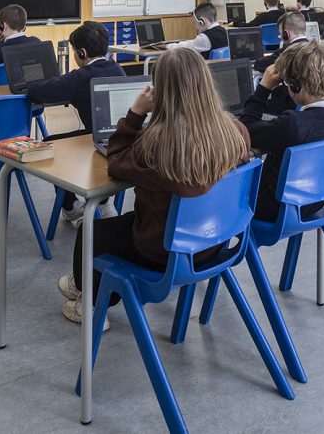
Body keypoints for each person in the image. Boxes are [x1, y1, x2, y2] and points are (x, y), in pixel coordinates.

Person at [55, 48, 250, 327]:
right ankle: (81, 284)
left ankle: (91, 300)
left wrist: (135, 114)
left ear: (161, 92)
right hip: (214, 240)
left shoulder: (156, 143)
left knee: (92, 231)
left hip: (162, 250)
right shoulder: (235, 130)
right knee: (124, 224)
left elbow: (116, 162)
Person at [239, 40, 324, 221]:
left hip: (274, 208)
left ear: (294, 86)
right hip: (317, 199)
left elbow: (245, 129)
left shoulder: (292, 126)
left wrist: (263, 88)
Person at [28, 21, 126, 227]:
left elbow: (38, 92)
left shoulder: (80, 77)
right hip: (121, 141)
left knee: (50, 142)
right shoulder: (118, 69)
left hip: (94, 143)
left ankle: (71, 207)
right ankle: (104, 202)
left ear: (81, 53)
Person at [0, 3, 40, 72]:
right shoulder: (36, 42)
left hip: (6, 83)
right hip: (32, 82)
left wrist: (0, 41)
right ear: (24, 26)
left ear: (3, 26)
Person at [255, 10, 308, 74]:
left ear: (286, 34)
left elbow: (260, 64)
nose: (280, 37)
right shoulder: (315, 48)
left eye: (280, 33)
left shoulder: (288, 51)